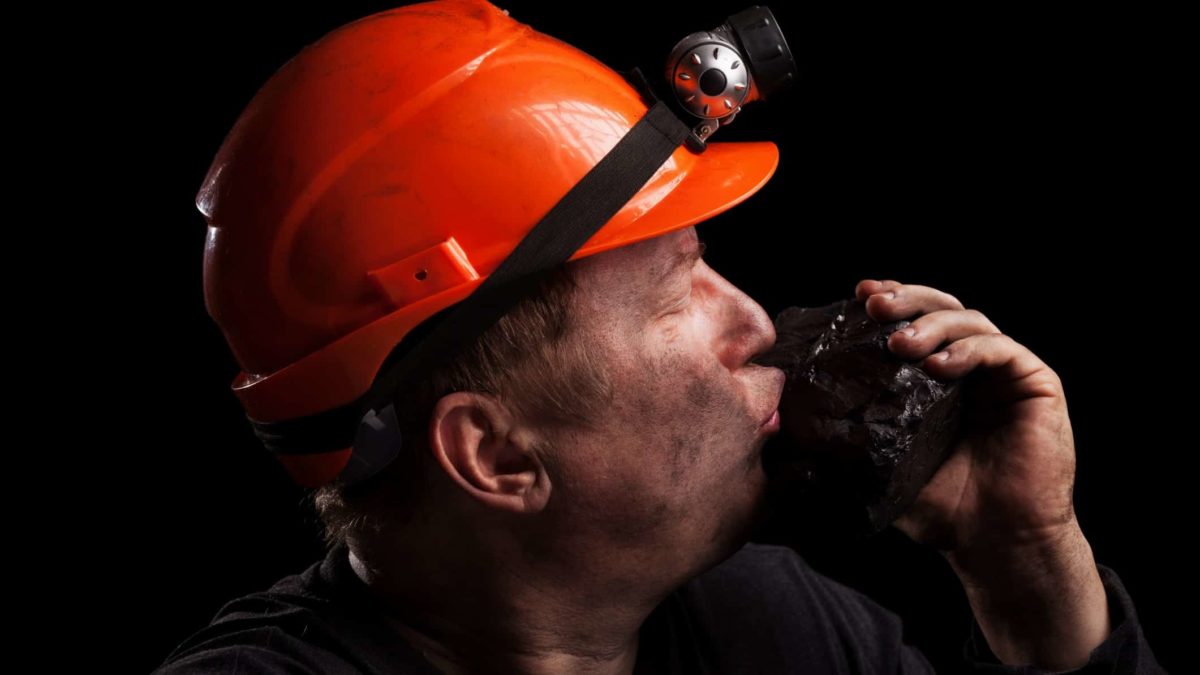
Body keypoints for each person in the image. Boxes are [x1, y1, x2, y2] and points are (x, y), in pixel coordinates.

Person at [156, 1, 1165, 672]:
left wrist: (1029, 571)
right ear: (496, 454)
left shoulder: (771, 624)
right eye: (677, 296)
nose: (756, 322)